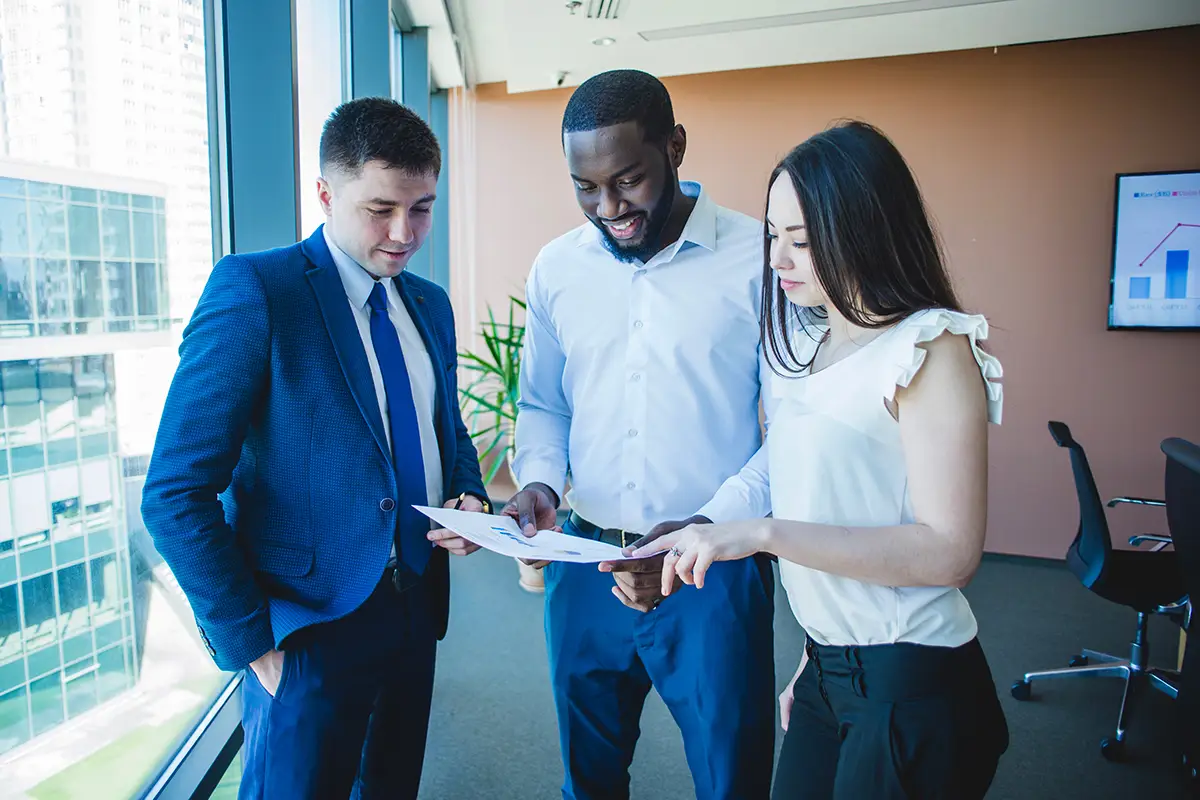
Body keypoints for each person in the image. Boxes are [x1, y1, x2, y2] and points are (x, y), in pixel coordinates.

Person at [639, 120, 1010, 799]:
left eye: (802, 242)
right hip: (830, 668)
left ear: (865, 230)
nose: (778, 259)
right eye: (773, 236)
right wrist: (816, 653)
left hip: (911, 677)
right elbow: (782, 470)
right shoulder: (812, 346)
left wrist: (760, 535)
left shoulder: (929, 349)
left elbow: (950, 552)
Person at [141, 98, 490, 799]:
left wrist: (470, 492)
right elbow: (174, 493)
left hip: (414, 608)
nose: (404, 233)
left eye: (422, 208)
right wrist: (254, 646)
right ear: (326, 193)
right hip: (305, 631)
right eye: (380, 208)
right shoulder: (257, 291)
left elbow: (442, 427)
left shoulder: (429, 304)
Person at [504, 69, 776, 800]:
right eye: (586, 188)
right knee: (586, 781)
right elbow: (542, 403)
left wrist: (705, 531)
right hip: (585, 562)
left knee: (732, 779)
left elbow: (791, 432)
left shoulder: (761, 259)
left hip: (713, 572)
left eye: (628, 180)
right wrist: (536, 479)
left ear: (675, 148)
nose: (609, 208)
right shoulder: (558, 268)